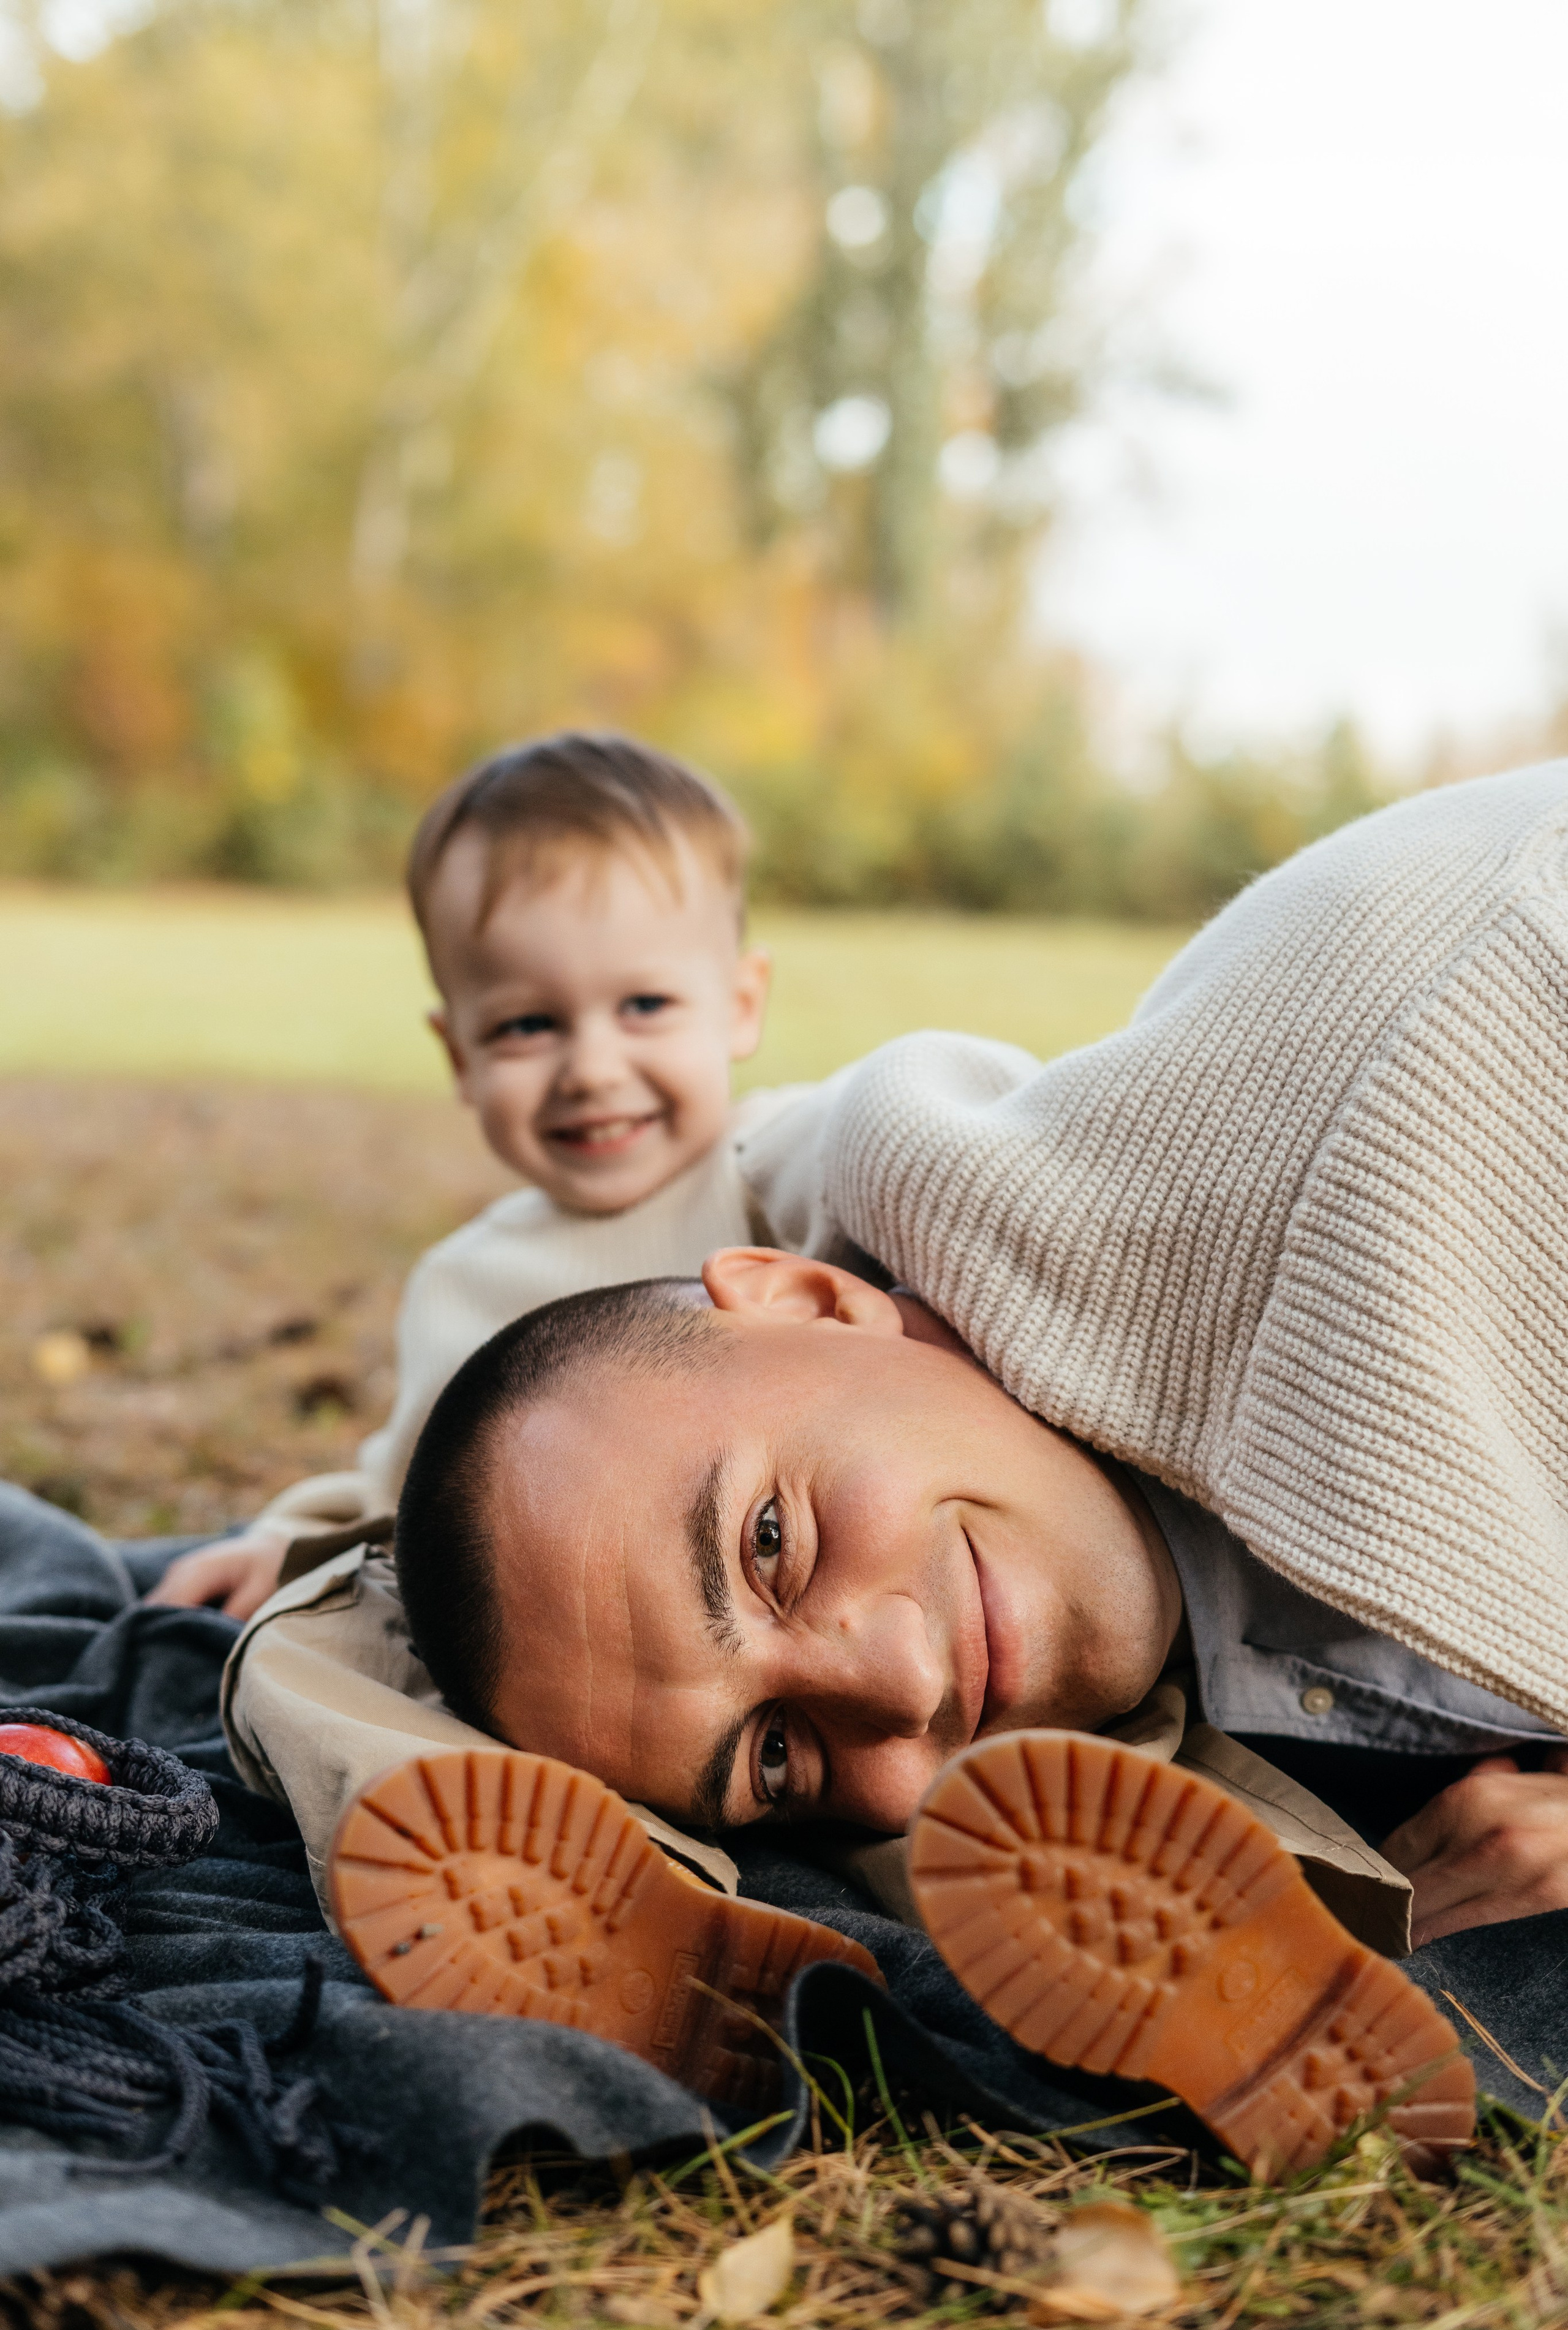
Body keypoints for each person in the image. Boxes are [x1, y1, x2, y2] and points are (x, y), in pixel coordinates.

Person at [332, 758, 1567, 2176]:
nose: (899, 1688)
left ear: (817, 1297)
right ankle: (763, 1940)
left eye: (770, 1545)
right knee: (368, 1628)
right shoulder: (957, 1510)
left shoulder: (1445, 1102)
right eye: (775, 1753)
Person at [194, 730, 822, 1901]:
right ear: (457, 1049)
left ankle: (982, 1874)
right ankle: (510, 1879)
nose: (590, 1067)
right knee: (305, 1654)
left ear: (740, 1005)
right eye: (528, 1026)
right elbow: (403, 1505)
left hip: (775, 1673)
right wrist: (295, 1539)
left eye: (643, 1005)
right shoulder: (467, 1282)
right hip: (554, 1684)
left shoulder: (774, 1181)